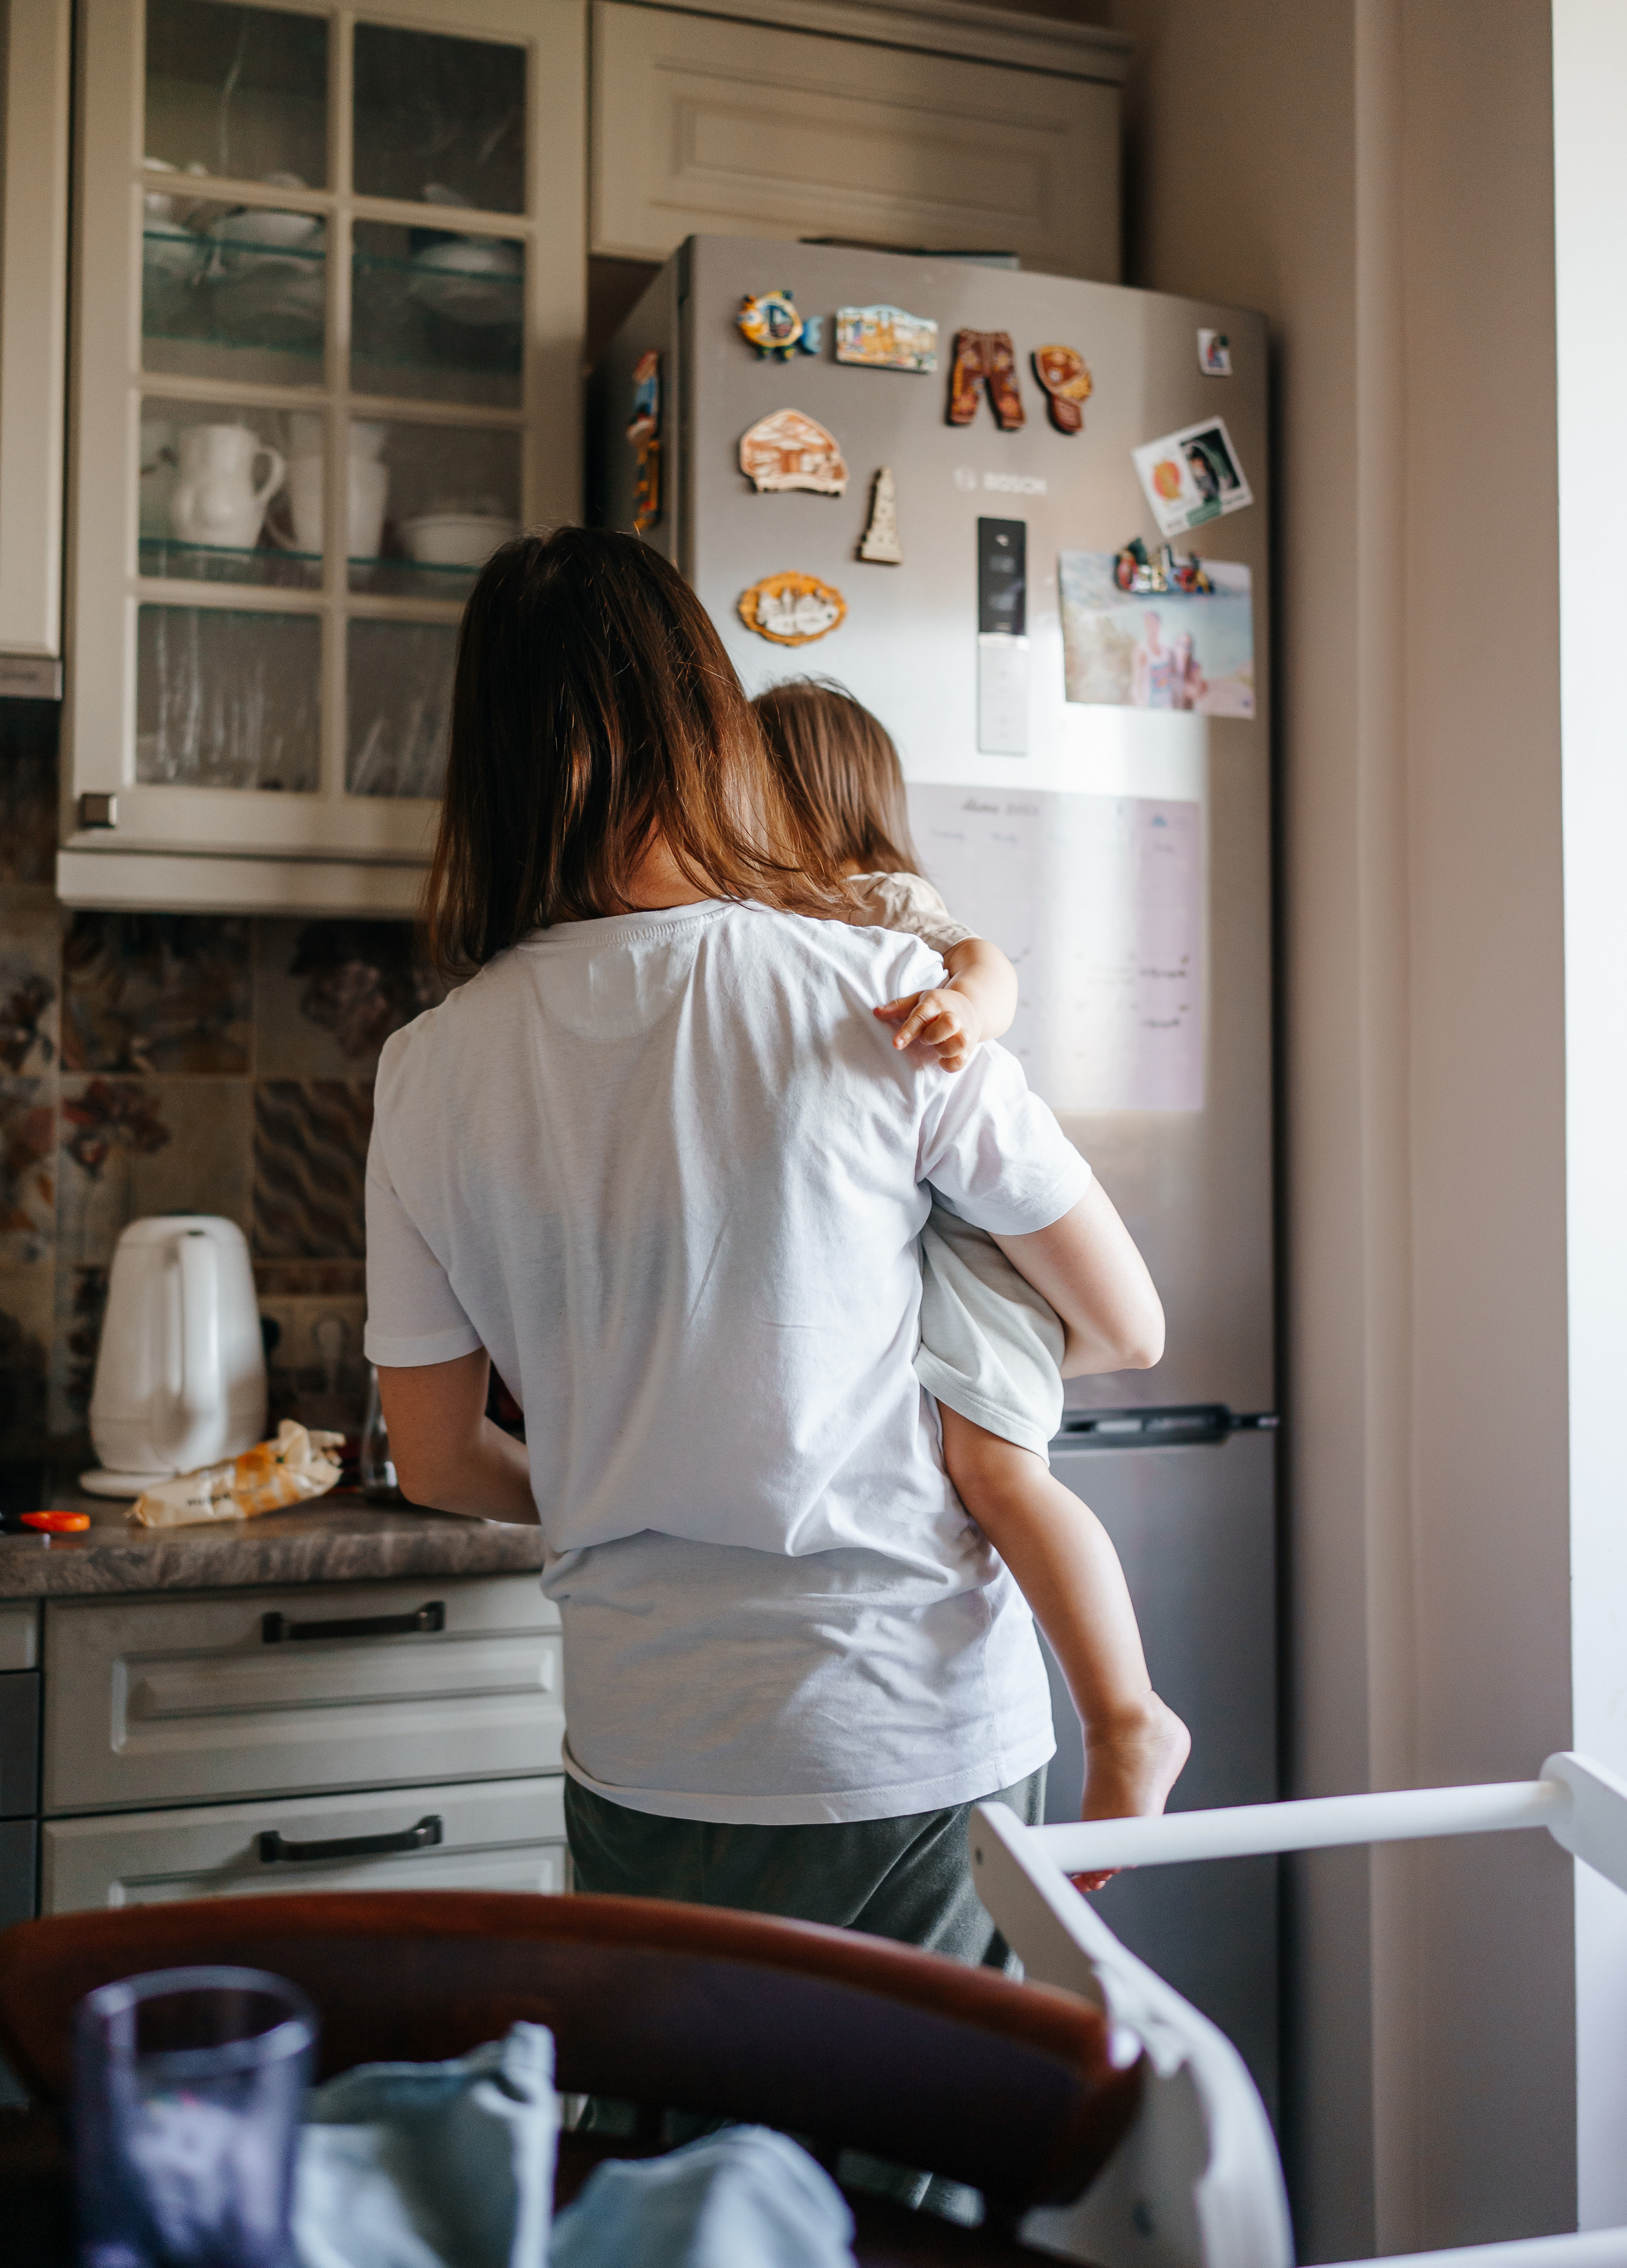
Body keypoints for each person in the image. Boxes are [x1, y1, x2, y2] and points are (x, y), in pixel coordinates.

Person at [367, 527, 1168, 1966]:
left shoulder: (426, 1071)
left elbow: (434, 1461)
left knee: (683, 2115)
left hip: (643, 1735)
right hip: (905, 1731)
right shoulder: (880, 994)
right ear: (705, 723)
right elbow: (1126, 1326)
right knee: (918, 2115)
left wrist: (639, 1475)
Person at [754, 679, 1189, 1868]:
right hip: (920, 1239)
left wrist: (964, 1008)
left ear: (802, 796)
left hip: (969, 1244)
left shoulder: (877, 900)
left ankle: (1127, 1718)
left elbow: (987, 962)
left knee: (996, 1470)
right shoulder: (760, 916)